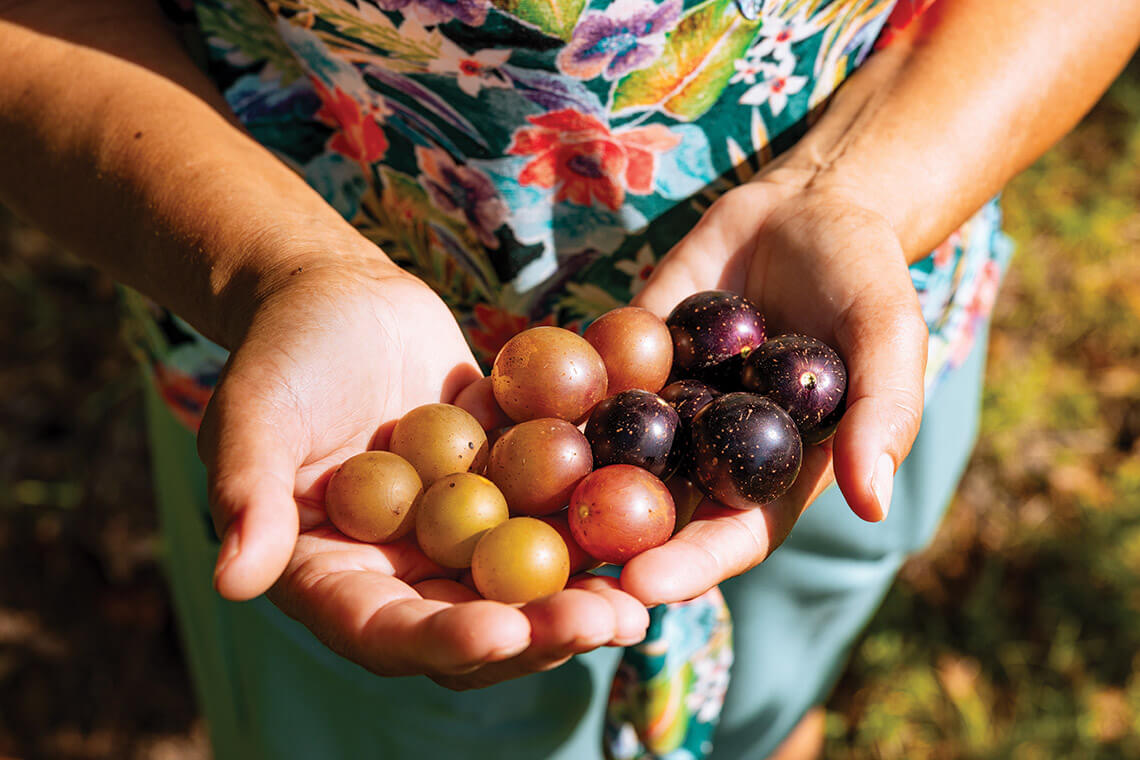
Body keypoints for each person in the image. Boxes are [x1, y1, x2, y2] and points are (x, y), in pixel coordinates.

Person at [1, 0, 1137, 757]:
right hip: (328, 398)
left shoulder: (773, 380)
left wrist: (864, 191)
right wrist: (277, 265)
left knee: (785, 670)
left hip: (857, 287)